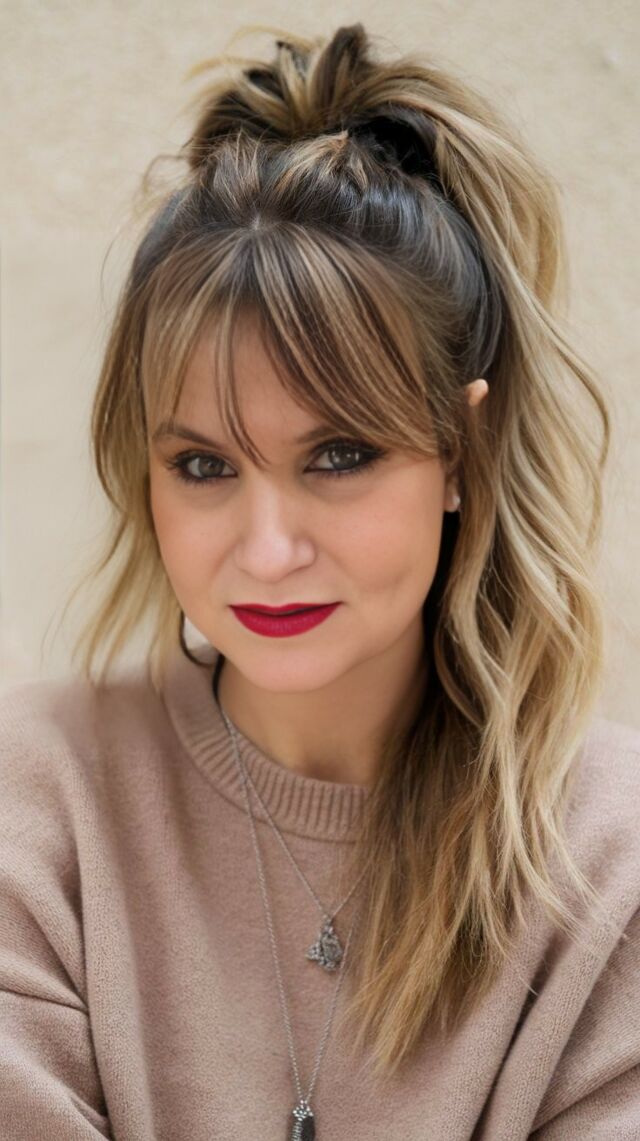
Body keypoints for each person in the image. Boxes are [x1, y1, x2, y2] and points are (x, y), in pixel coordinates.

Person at [1, 21, 639, 1141]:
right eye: (204, 465)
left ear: (462, 448)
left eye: (339, 456)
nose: (267, 551)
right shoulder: (37, 805)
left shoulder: (608, 863)